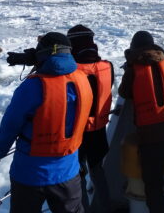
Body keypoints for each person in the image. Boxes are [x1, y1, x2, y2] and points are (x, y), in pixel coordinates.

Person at [0, 32, 93, 213]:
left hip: (29, 174)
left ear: (41, 55)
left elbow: (10, 125)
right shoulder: (82, 80)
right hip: (68, 172)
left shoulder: (32, 87)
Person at [118, 31, 164, 213]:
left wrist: (129, 67)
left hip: (152, 137)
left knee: (153, 184)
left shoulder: (134, 69)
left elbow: (124, 93)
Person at [67, 25, 113, 213]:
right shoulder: (106, 67)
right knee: (97, 172)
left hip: (76, 134)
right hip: (99, 132)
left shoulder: (70, 71)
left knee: (77, 177)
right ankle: (106, 209)